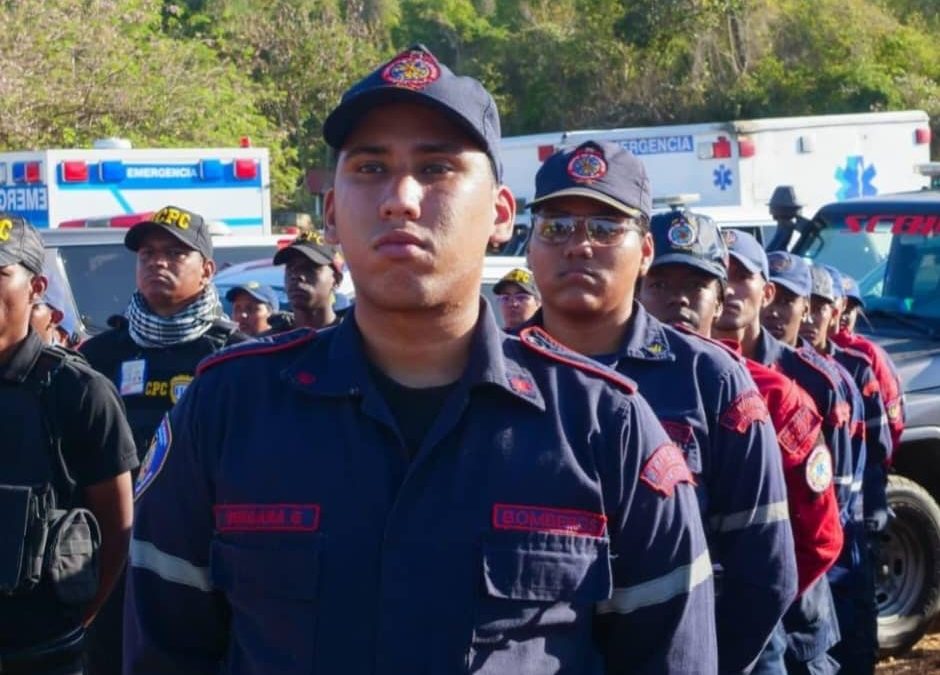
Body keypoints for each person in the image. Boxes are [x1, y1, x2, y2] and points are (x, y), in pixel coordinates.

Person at [124, 45, 717, 674]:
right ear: (330, 213)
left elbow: (672, 657)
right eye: (371, 167)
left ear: (500, 215)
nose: (400, 198)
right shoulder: (226, 409)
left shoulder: (605, 427)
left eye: (436, 169)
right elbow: (165, 650)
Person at [523, 140, 794, 674]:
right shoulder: (493, 375)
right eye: (557, 227)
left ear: (645, 251)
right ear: (529, 247)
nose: (579, 246)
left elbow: (764, 572)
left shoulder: (710, 378)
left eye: (604, 229)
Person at [78, 205, 247, 675]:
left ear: (207, 269)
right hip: (111, 559)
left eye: (175, 253)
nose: (158, 262)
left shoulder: (235, 358)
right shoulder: (99, 354)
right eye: (148, 253)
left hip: (202, 562)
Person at [0, 215, 138, 674]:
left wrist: (73, 625)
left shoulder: (77, 390)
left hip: (42, 653)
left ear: (36, 285)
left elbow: (117, 530)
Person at [714, 231, 845, 674]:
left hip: (794, 617)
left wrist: (767, 597)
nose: (729, 288)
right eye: (719, 274)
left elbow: (823, 529)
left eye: (741, 276)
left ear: (764, 292)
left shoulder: (800, 382)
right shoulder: (676, 379)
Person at [760, 253, 870, 673]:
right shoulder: (714, 372)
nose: (775, 311)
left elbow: (834, 499)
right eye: (775, 296)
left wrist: (785, 585)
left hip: (809, 582)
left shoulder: (821, 381)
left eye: (788, 300)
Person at [802, 265, 890, 675]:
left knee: (854, 628)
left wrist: (873, 510)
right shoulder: (775, 369)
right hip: (807, 533)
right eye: (808, 305)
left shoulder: (856, 367)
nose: (810, 318)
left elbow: (879, 448)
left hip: (848, 521)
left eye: (821, 307)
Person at [834, 273, 905, 452]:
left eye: (849, 310)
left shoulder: (868, 353)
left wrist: (880, 462)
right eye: (840, 307)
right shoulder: (803, 347)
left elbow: (892, 417)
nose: (843, 316)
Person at [270, 230, 346, 331]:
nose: (296, 275)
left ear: (336, 280)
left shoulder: (355, 339)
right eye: (290, 267)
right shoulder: (269, 344)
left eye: (309, 268)